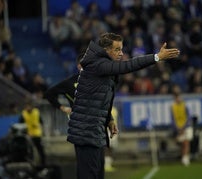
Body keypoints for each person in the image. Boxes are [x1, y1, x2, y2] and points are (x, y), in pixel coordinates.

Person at [68, 32, 180, 178]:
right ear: (106, 50)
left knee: (96, 174)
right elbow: (127, 66)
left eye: (121, 49)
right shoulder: (98, 64)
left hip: (93, 130)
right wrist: (156, 57)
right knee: (89, 175)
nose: (121, 53)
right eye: (117, 50)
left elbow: (98, 99)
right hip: (86, 131)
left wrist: (109, 119)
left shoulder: (100, 65)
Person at [19, 101, 46, 166]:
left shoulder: (36, 112)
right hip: (28, 135)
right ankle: (31, 163)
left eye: (29, 106)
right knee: (29, 150)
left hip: (37, 134)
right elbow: (21, 125)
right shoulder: (23, 114)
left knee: (40, 149)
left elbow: (41, 122)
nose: (28, 108)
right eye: (26, 106)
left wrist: (41, 129)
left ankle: (43, 163)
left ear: (31, 106)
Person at [170, 92, 193, 166]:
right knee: (183, 143)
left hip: (187, 127)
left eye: (179, 97)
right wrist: (178, 129)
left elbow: (189, 117)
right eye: (176, 98)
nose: (178, 99)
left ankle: (185, 158)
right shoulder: (173, 107)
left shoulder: (185, 105)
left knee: (186, 142)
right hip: (179, 128)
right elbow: (173, 119)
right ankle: (184, 157)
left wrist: (184, 127)